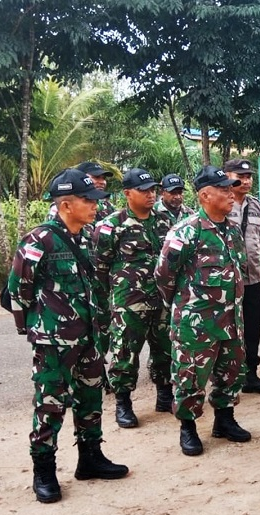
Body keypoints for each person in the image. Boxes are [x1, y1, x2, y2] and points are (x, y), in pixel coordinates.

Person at [7, 168, 128, 503]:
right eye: (88, 200)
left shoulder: (86, 238)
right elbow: (18, 290)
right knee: (50, 405)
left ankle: (90, 458)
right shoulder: (39, 240)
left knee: (90, 399)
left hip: (88, 337)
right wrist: (33, 329)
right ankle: (43, 470)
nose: (95, 205)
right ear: (65, 204)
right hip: (53, 341)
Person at [155, 165, 252, 456]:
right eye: (224, 190)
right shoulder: (186, 232)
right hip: (196, 322)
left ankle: (224, 420)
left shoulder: (233, 230)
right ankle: (188, 427)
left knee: (231, 371)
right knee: (190, 376)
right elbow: (164, 276)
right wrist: (185, 307)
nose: (230, 194)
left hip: (231, 319)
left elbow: (239, 270)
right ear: (205, 195)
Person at [92, 168, 173, 427]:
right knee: (125, 352)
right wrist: (115, 299)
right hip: (129, 301)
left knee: (165, 348)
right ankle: (123, 403)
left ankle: (164, 394)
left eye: (153, 190)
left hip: (161, 298)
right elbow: (100, 268)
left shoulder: (164, 221)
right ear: (127, 193)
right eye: (144, 190)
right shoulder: (110, 226)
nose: (151, 195)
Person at [224, 158, 260, 396]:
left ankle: (251, 375)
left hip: (253, 280)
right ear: (226, 175)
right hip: (225, 283)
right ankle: (226, 379)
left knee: (252, 327)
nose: (245, 181)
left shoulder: (257, 206)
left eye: (248, 177)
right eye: (239, 176)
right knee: (225, 330)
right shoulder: (220, 203)